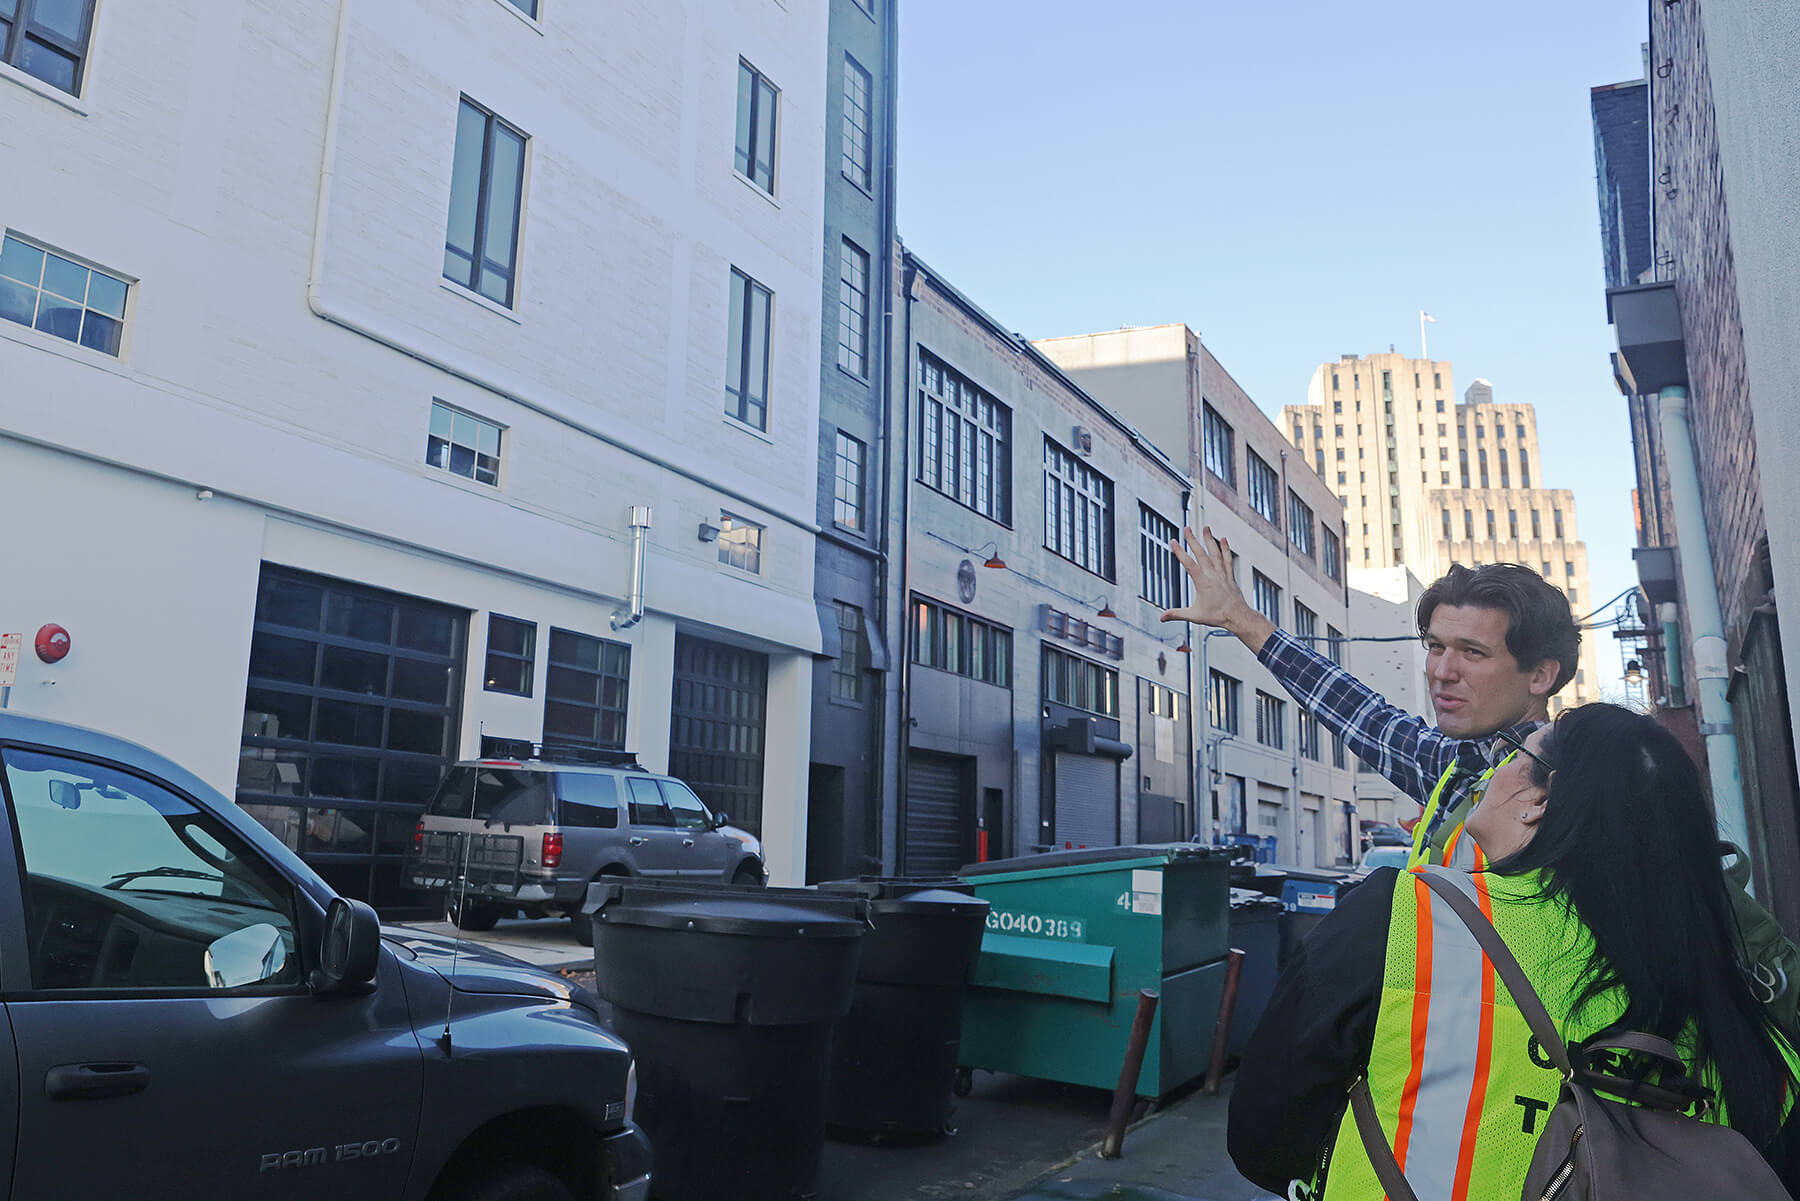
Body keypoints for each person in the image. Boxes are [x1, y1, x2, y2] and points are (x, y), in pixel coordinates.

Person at [1227, 704, 1800, 1199]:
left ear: (1537, 801)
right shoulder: (1737, 1010)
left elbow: (1262, 1136)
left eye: (1509, 754)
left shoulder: (1405, 918)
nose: (1492, 772)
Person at [1161, 527, 1579, 866]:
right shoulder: (1455, 765)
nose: (1442, 672)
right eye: (1436, 647)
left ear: (1540, 675)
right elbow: (1357, 711)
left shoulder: (1565, 792)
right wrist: (1241, 619)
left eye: (1472, 652)